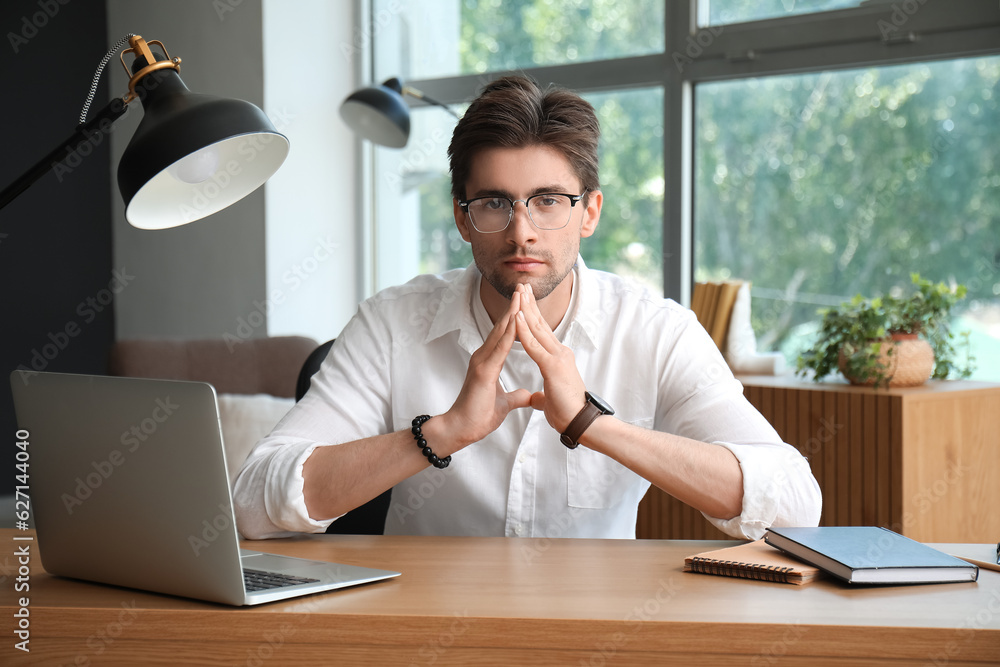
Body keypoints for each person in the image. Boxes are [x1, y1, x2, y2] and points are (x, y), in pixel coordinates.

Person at [233, 75, 821, 540]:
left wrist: (595, 426)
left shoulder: (655, 330)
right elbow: (250, 503)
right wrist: (439, 434)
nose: (522, 233)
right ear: (463, 216)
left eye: (548, 202)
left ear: (589, 212)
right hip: (425, 631)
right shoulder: (391, 323)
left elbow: (794, 506)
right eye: (495, 203)